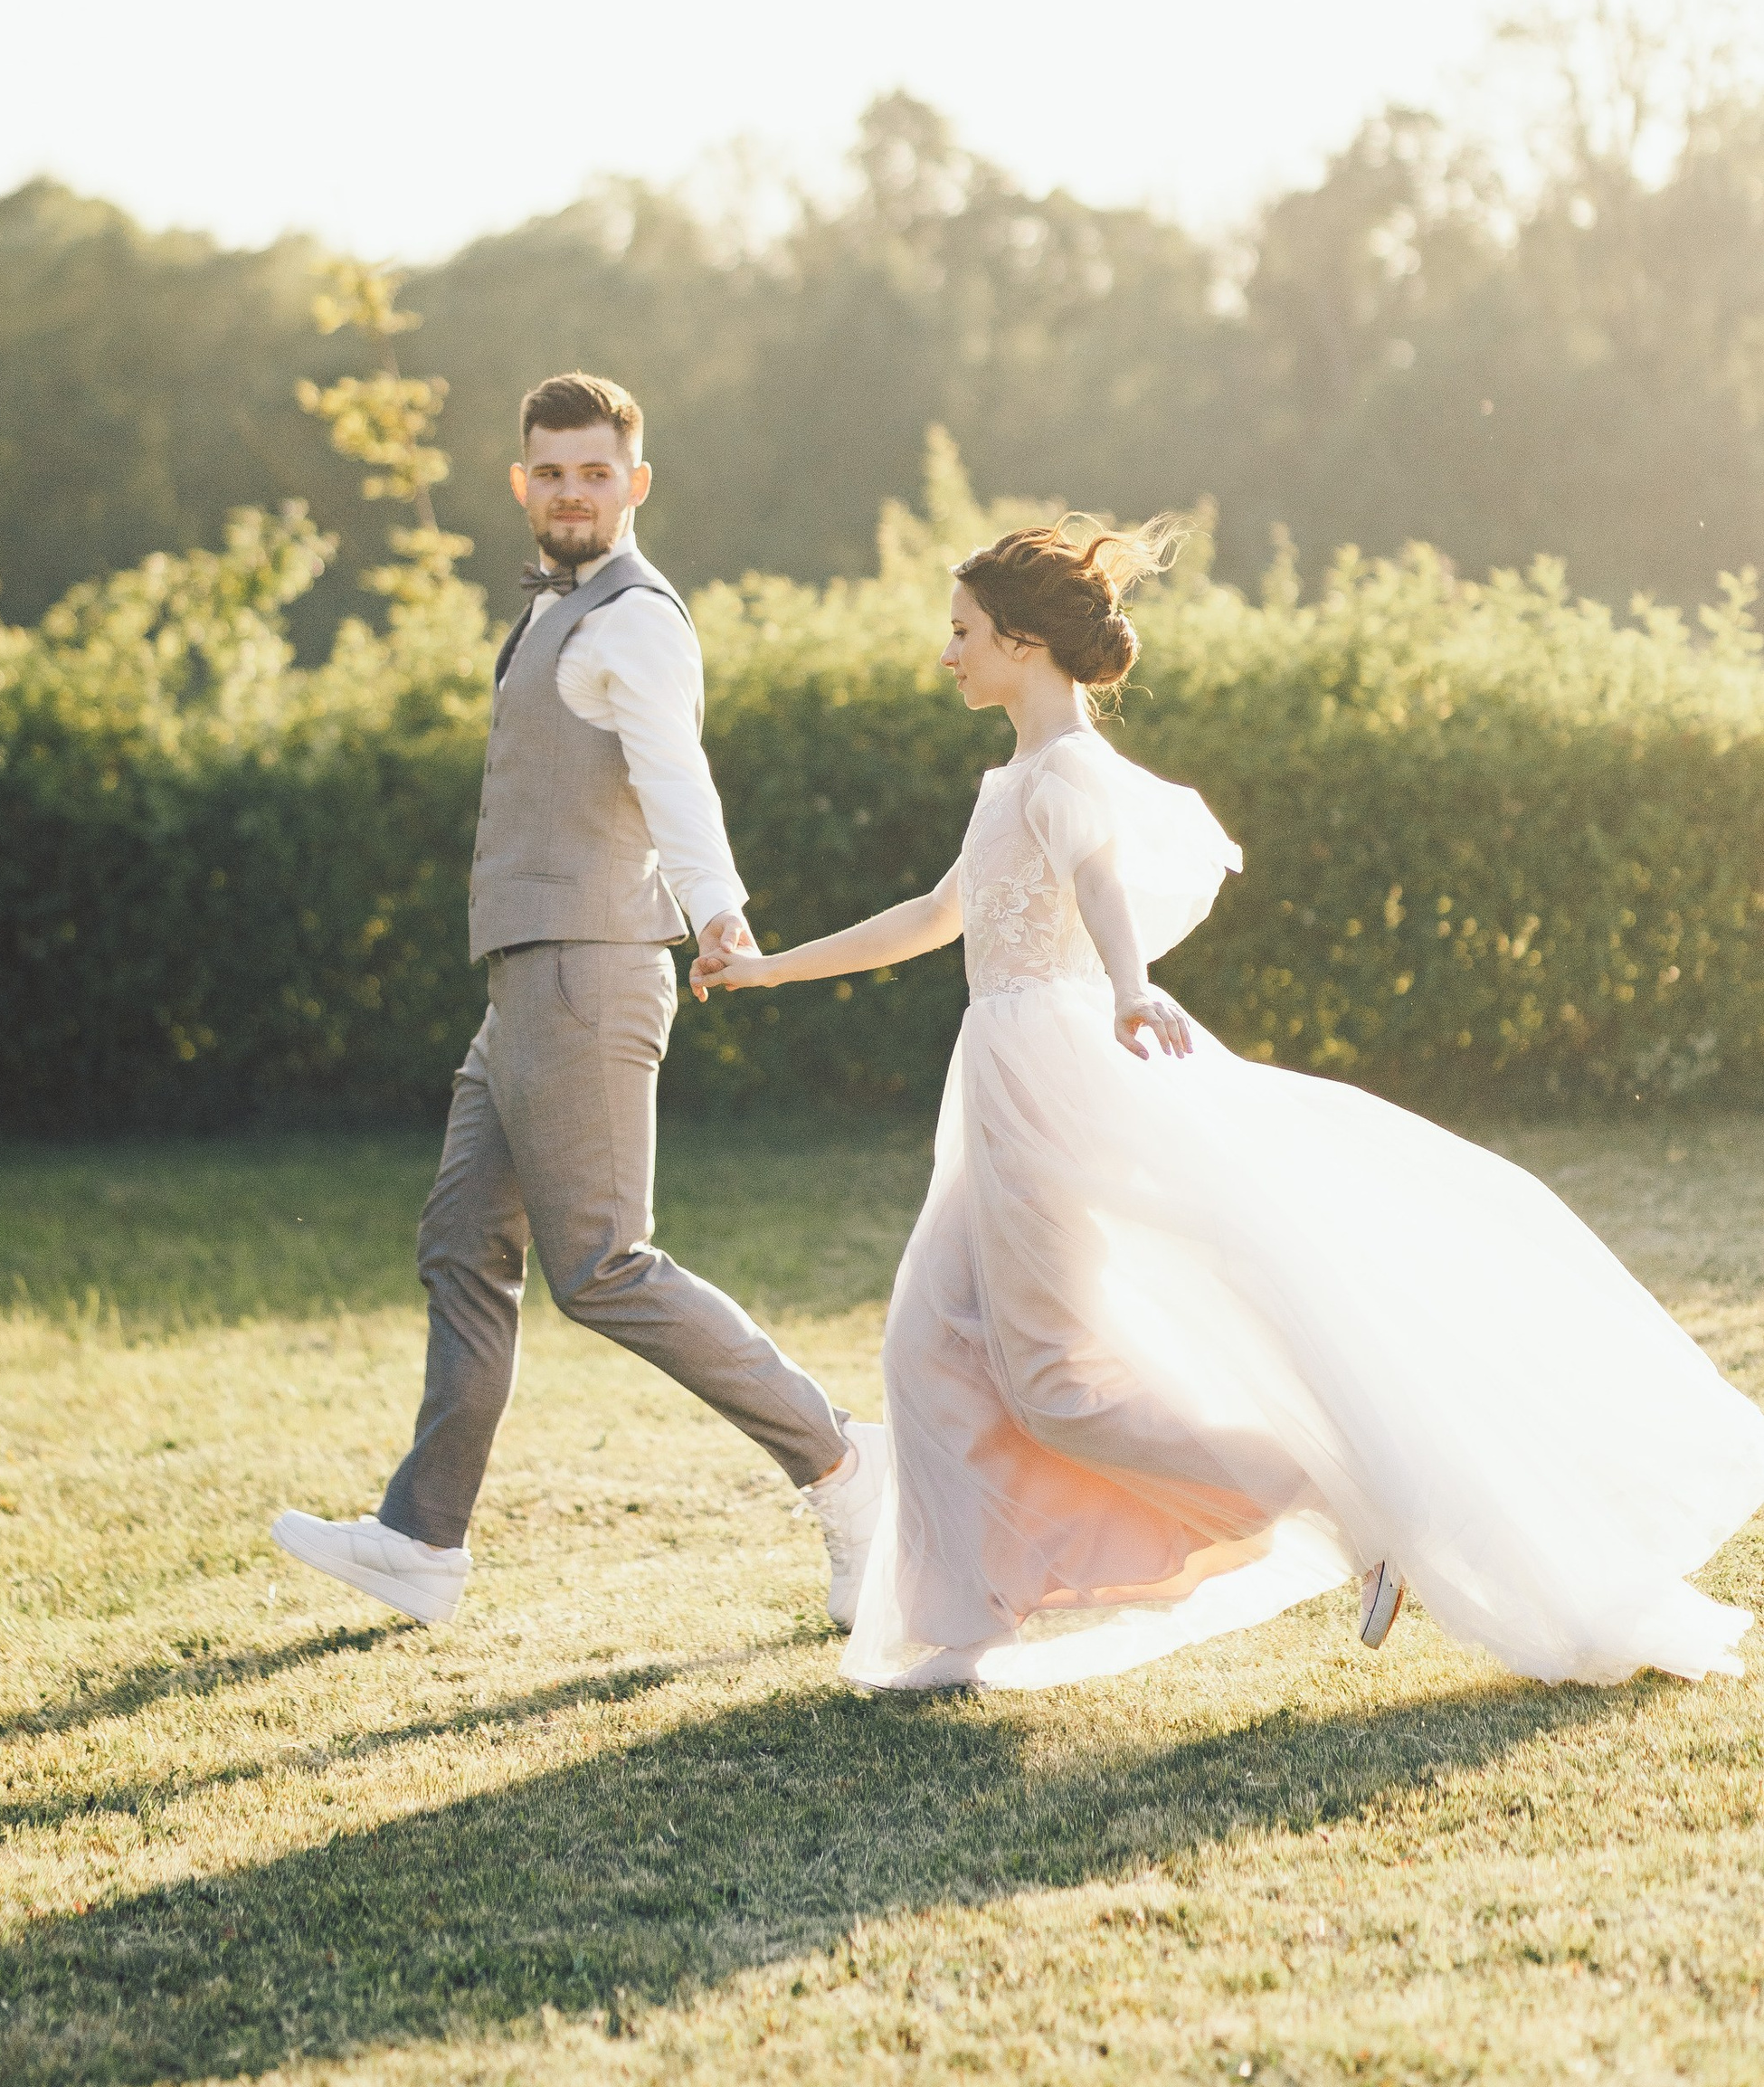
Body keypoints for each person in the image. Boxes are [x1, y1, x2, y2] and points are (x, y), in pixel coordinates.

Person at [694, 522, 1764, 1694]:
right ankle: (955, 1632)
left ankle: (1356, 1509)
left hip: (1046, 1085)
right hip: (998, 1077)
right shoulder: (1006, 781)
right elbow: (933, 915)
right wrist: (767, 967)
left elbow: (1100, 879)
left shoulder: (1065, 776)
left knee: (1053, 1383)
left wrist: (1131, 983)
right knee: (928, 1348)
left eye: (962, 634)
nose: (946, 653)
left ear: (1025, 645)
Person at [273, 372, 883, 1627]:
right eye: (550, 471)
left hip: (589, 972)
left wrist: (719, 910)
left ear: (635, 484)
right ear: (521, 482)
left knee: (604, 1266)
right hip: (527, 981)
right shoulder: (561, 611)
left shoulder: (634, 620)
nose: (570, 492)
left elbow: (676, 776)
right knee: (461, 1245)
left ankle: (845, 1468)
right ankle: (422, 1541)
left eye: (594, 472)